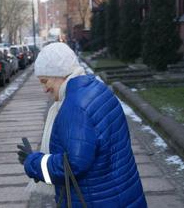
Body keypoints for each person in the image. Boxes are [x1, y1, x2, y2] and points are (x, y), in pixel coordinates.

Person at [17, 42, 147, 207]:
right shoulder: (98, 89)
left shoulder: (74, 108)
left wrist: (34, 163)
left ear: (59, 74)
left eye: (45, 81)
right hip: (122, 195)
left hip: (95, 200)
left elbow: (72, 167)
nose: (44, 89)